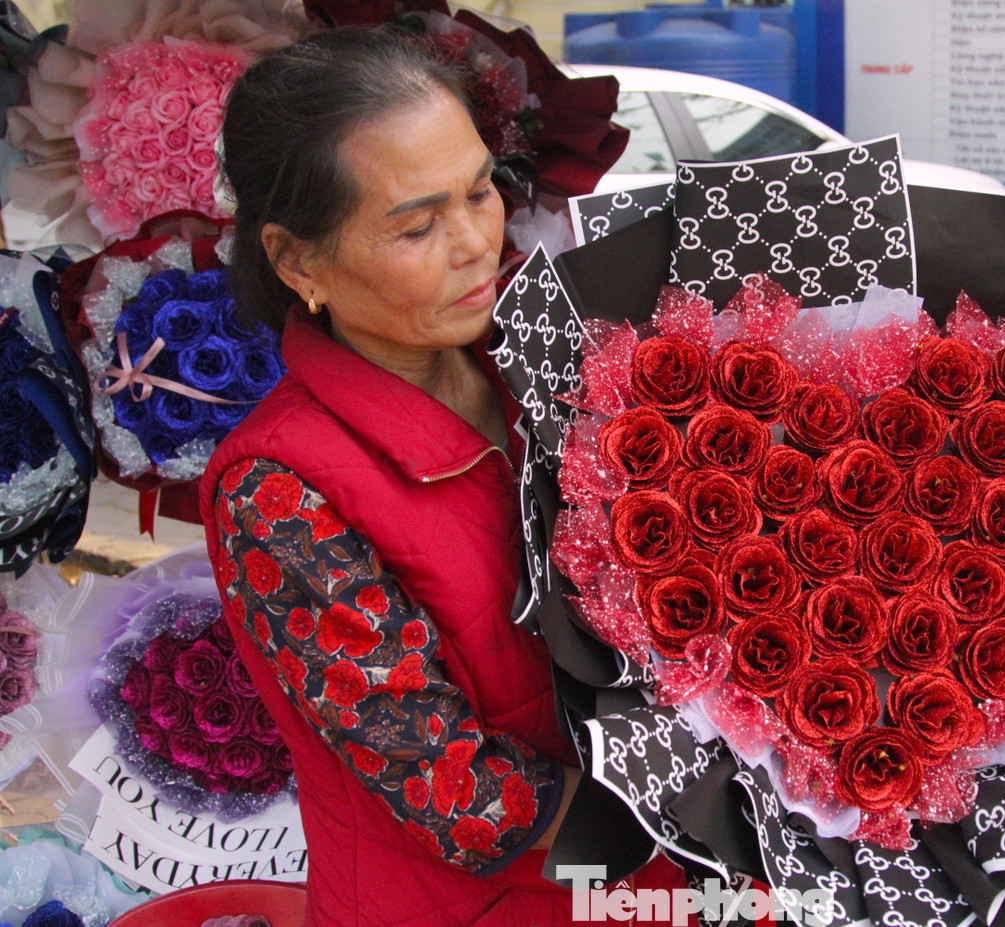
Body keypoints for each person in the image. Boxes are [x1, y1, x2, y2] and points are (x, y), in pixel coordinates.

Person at [200, 27, 679, 927]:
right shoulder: (279, 487)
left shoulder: (555, 362)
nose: (473, 242)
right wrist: (721, 811)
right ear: (298, 260)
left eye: (480, 192)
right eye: (418, 224)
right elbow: (463, 795)